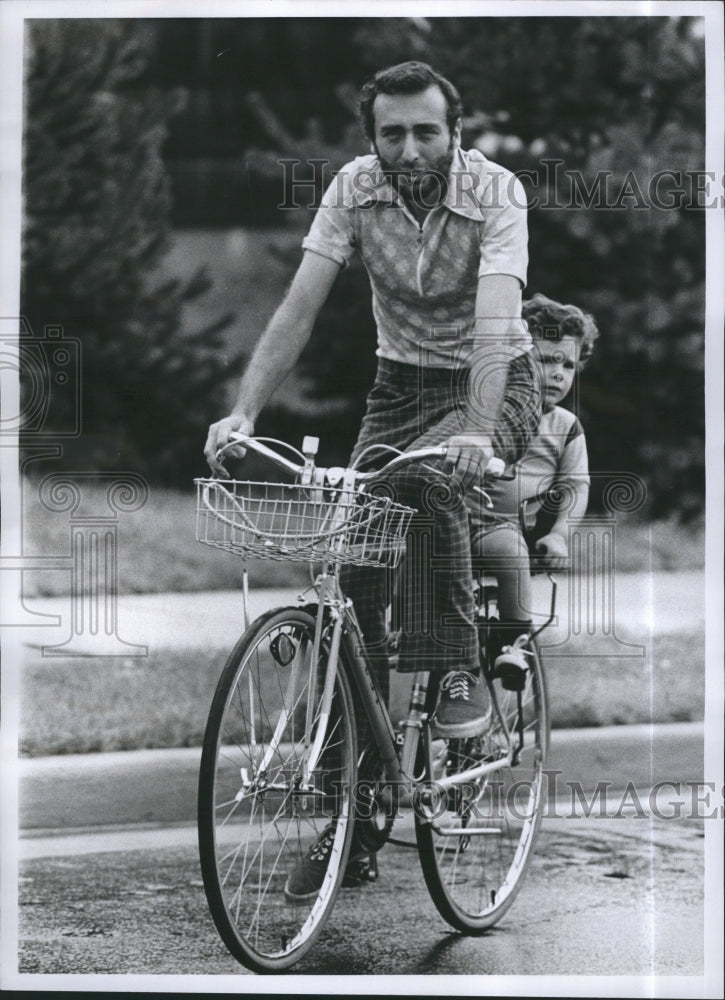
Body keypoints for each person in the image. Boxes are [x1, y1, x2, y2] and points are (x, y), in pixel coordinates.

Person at [204, 61, 542, 895]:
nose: (409, 146)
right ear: (372, 137)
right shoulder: (354, 191)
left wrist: (472, 429)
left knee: (429, 491)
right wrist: (244, 411)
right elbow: (300, 305)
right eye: (392, 132)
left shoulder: (496, 194)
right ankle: (349, 814)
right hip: (398, 388)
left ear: (454, 129)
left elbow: (498, 325)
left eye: (425, 129)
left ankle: (459, 672)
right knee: (352, 580)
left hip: (492, 379)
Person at [469, 293, 599, 688]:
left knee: (509, 550)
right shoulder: (485, 410)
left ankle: (515, 642)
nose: (558, 373)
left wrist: (559, 534)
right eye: (546, 360)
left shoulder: (566, 426)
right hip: (461, 518)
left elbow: (576, 484)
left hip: (510, 530)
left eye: (568, 365)